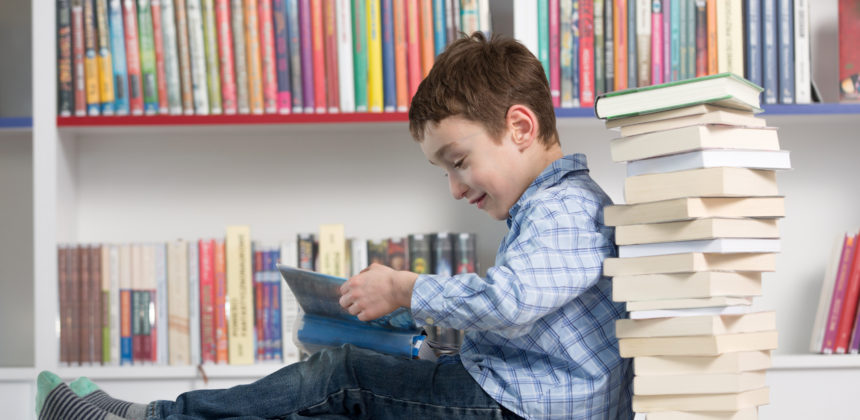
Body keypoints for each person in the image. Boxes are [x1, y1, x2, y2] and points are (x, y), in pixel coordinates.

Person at [35, 32, 633, 420]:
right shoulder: (546, 208)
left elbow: (514, 300)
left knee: (342, 377)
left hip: (530, 408)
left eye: (458, 161)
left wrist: (405, 288)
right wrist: (422, 324)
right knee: (345, 375)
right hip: (516, 394)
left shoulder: (568, 208)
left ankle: (152, 419)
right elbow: (522, 324)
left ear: (521, 127)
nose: (455, 187)